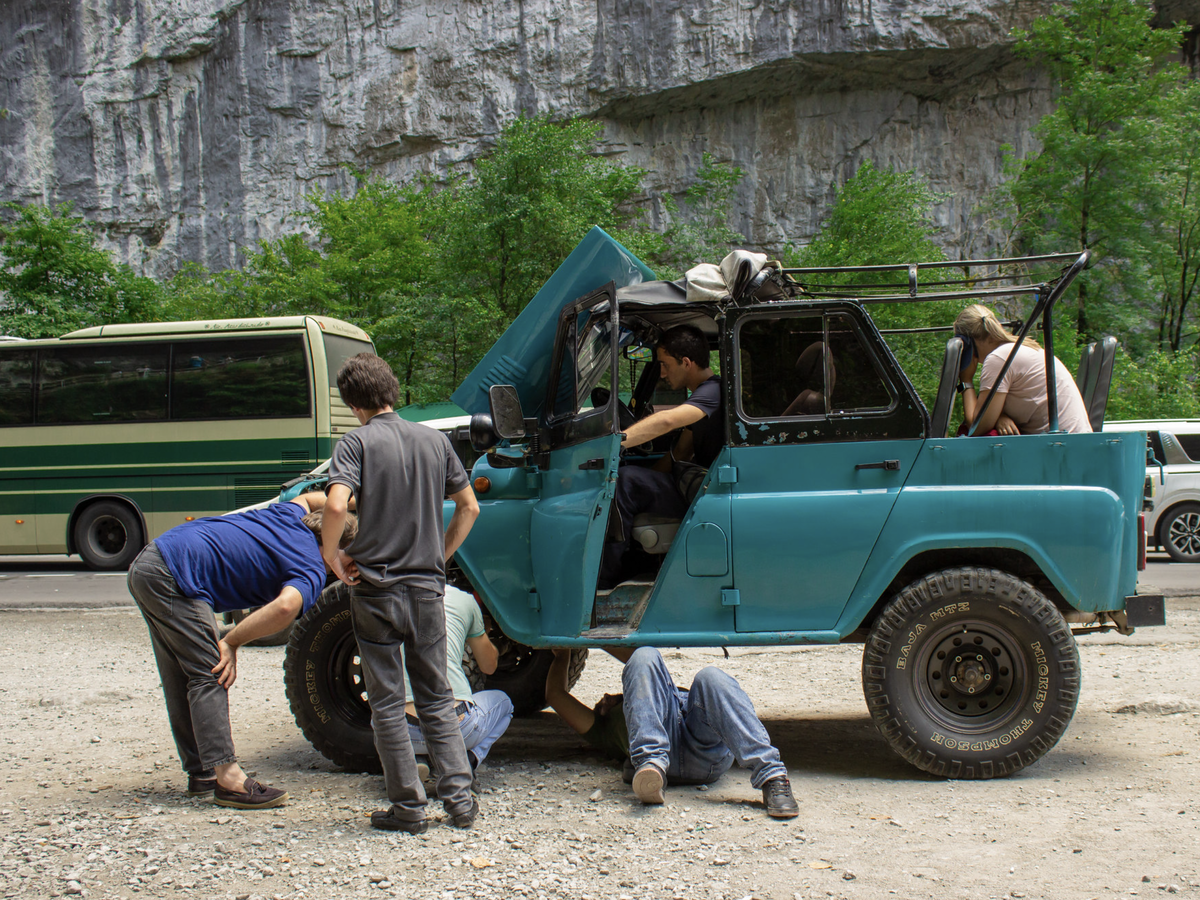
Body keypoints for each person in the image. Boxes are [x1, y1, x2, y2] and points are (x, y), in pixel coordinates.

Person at [321, 352, 480, 834]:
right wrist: (439, 557)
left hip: (375, 589)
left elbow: (334, 503)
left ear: (354, 404)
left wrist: (333, 554)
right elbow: (469, 507)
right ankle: (460, 802)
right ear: (392, 391)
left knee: (388, 703)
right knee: (437, 695)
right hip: (428, 587)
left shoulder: (356, 443)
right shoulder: (434, 441)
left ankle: (409, 809)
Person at [127, 492, 357, 809]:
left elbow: (310, 498)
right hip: (177, 575)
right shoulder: (310, 566)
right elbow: (286, 607)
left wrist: (355, 501)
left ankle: (203, 773)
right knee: (212, 672)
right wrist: (232, 641)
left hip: (153, 560)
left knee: (184, 672)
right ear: (335, 546)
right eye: (351, 557)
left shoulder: (288, 516)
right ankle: (230, 780)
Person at [544, 646, 800, 819]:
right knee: (644, 655)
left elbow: (644, 666)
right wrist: (563, 655)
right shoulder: (602, 728)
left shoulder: (651, 695)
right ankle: (651, 769)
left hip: (700, 741)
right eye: (601, 703)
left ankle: (773, 778)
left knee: (710, 677)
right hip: (663, 758)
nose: (604, 699)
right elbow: (554, 695)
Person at [599, 324, 723, 588]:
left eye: (665, 365)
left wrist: (617, 443)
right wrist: (647, 480)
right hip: (695, 485)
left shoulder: (712, 392)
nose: (662, 373)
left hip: (710, 493)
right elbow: (680, 451)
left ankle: (603, 580)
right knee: (630, 479)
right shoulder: (702, 396)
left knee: (626, 480)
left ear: (686, 362)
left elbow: (667, 421)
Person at [402, 586, 513, 785]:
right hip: (455, 727)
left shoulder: (389, 597)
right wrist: (482, 633)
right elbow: (488, 666)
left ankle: (416, 759)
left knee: (384, 712)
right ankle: (467, 762)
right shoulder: (464, 600)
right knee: (505, 704)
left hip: (402, 729)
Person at [955, 304, 1092, 435]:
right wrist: (998, 417)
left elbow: (976, 427)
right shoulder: (1017, 349)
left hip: (1059, 445)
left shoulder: (999, 358)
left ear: (968, 345)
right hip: (1073, 439)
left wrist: (966, 381)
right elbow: (990, 413)